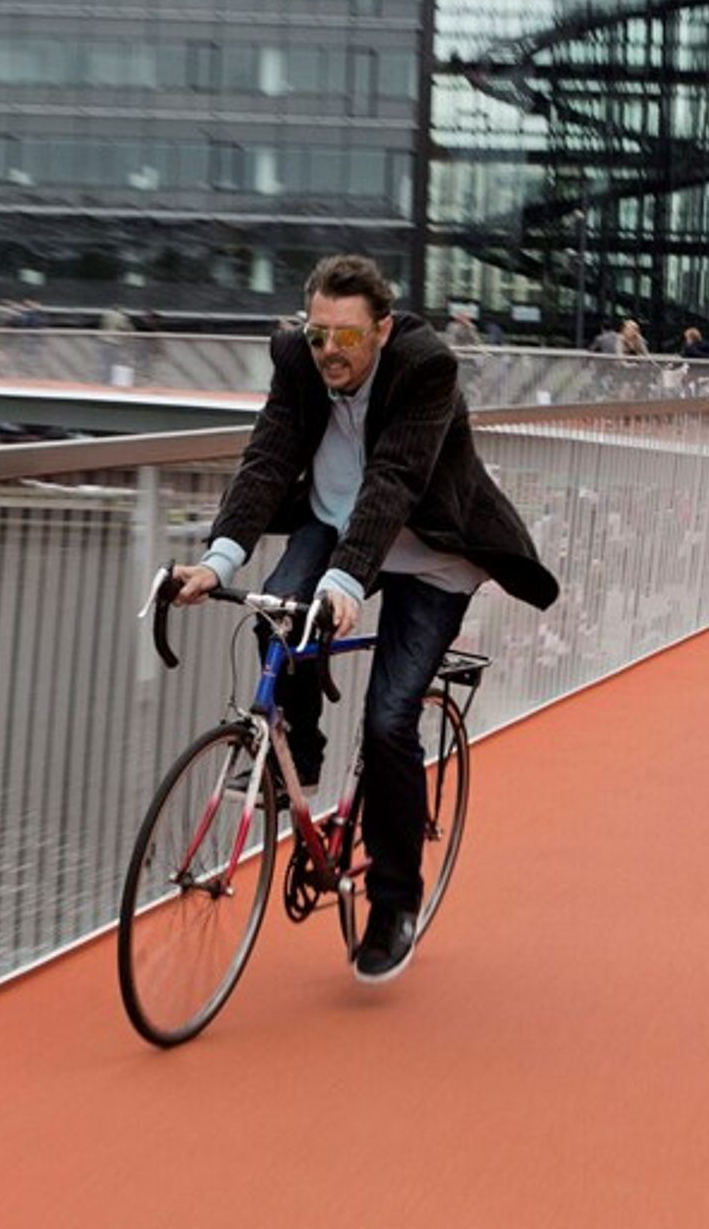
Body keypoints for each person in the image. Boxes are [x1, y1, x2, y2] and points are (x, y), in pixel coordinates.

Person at [171, 255, 559, 985]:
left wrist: (348, 579)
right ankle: (305, 758)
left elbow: (396, 480)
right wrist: (217, 562)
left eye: (346, 337)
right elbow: (268, 456)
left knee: (388, 720)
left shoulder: (425, 367)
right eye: (318, 335)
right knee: (276, 623)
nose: (329, 353)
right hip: (331, 522)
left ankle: (394, 901)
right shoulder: (297, 359)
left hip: (430, 549)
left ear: (381, 329)